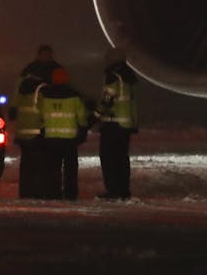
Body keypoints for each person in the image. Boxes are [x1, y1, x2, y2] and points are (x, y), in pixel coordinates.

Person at [12, 44, 60, 198]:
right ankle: (40, 191)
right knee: (42, 163)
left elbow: (17, 93)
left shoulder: (27, 72)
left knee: (28, 164)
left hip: (25, 129)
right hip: (40, 129)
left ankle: (27, 192)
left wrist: (13, 108)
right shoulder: (52, 74)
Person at [94, 47, 139, 200]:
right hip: (126, 124)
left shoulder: (113, 76)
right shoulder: (128, 77)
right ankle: (123, 191)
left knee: (109, 159)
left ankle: (113, 191)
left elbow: (108, 99)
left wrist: (95, 115)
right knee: (121, 159)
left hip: (112, 124)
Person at [39, 66, 90, 200]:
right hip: (69, 139)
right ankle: (71, 194)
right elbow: (82, 117)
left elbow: (42, 116)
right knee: (70, 170)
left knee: (52, 169)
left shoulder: (46, 96)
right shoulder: (74, 96)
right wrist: (83, 130)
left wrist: (43, 130)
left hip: (51, 138)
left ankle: (52, 193)